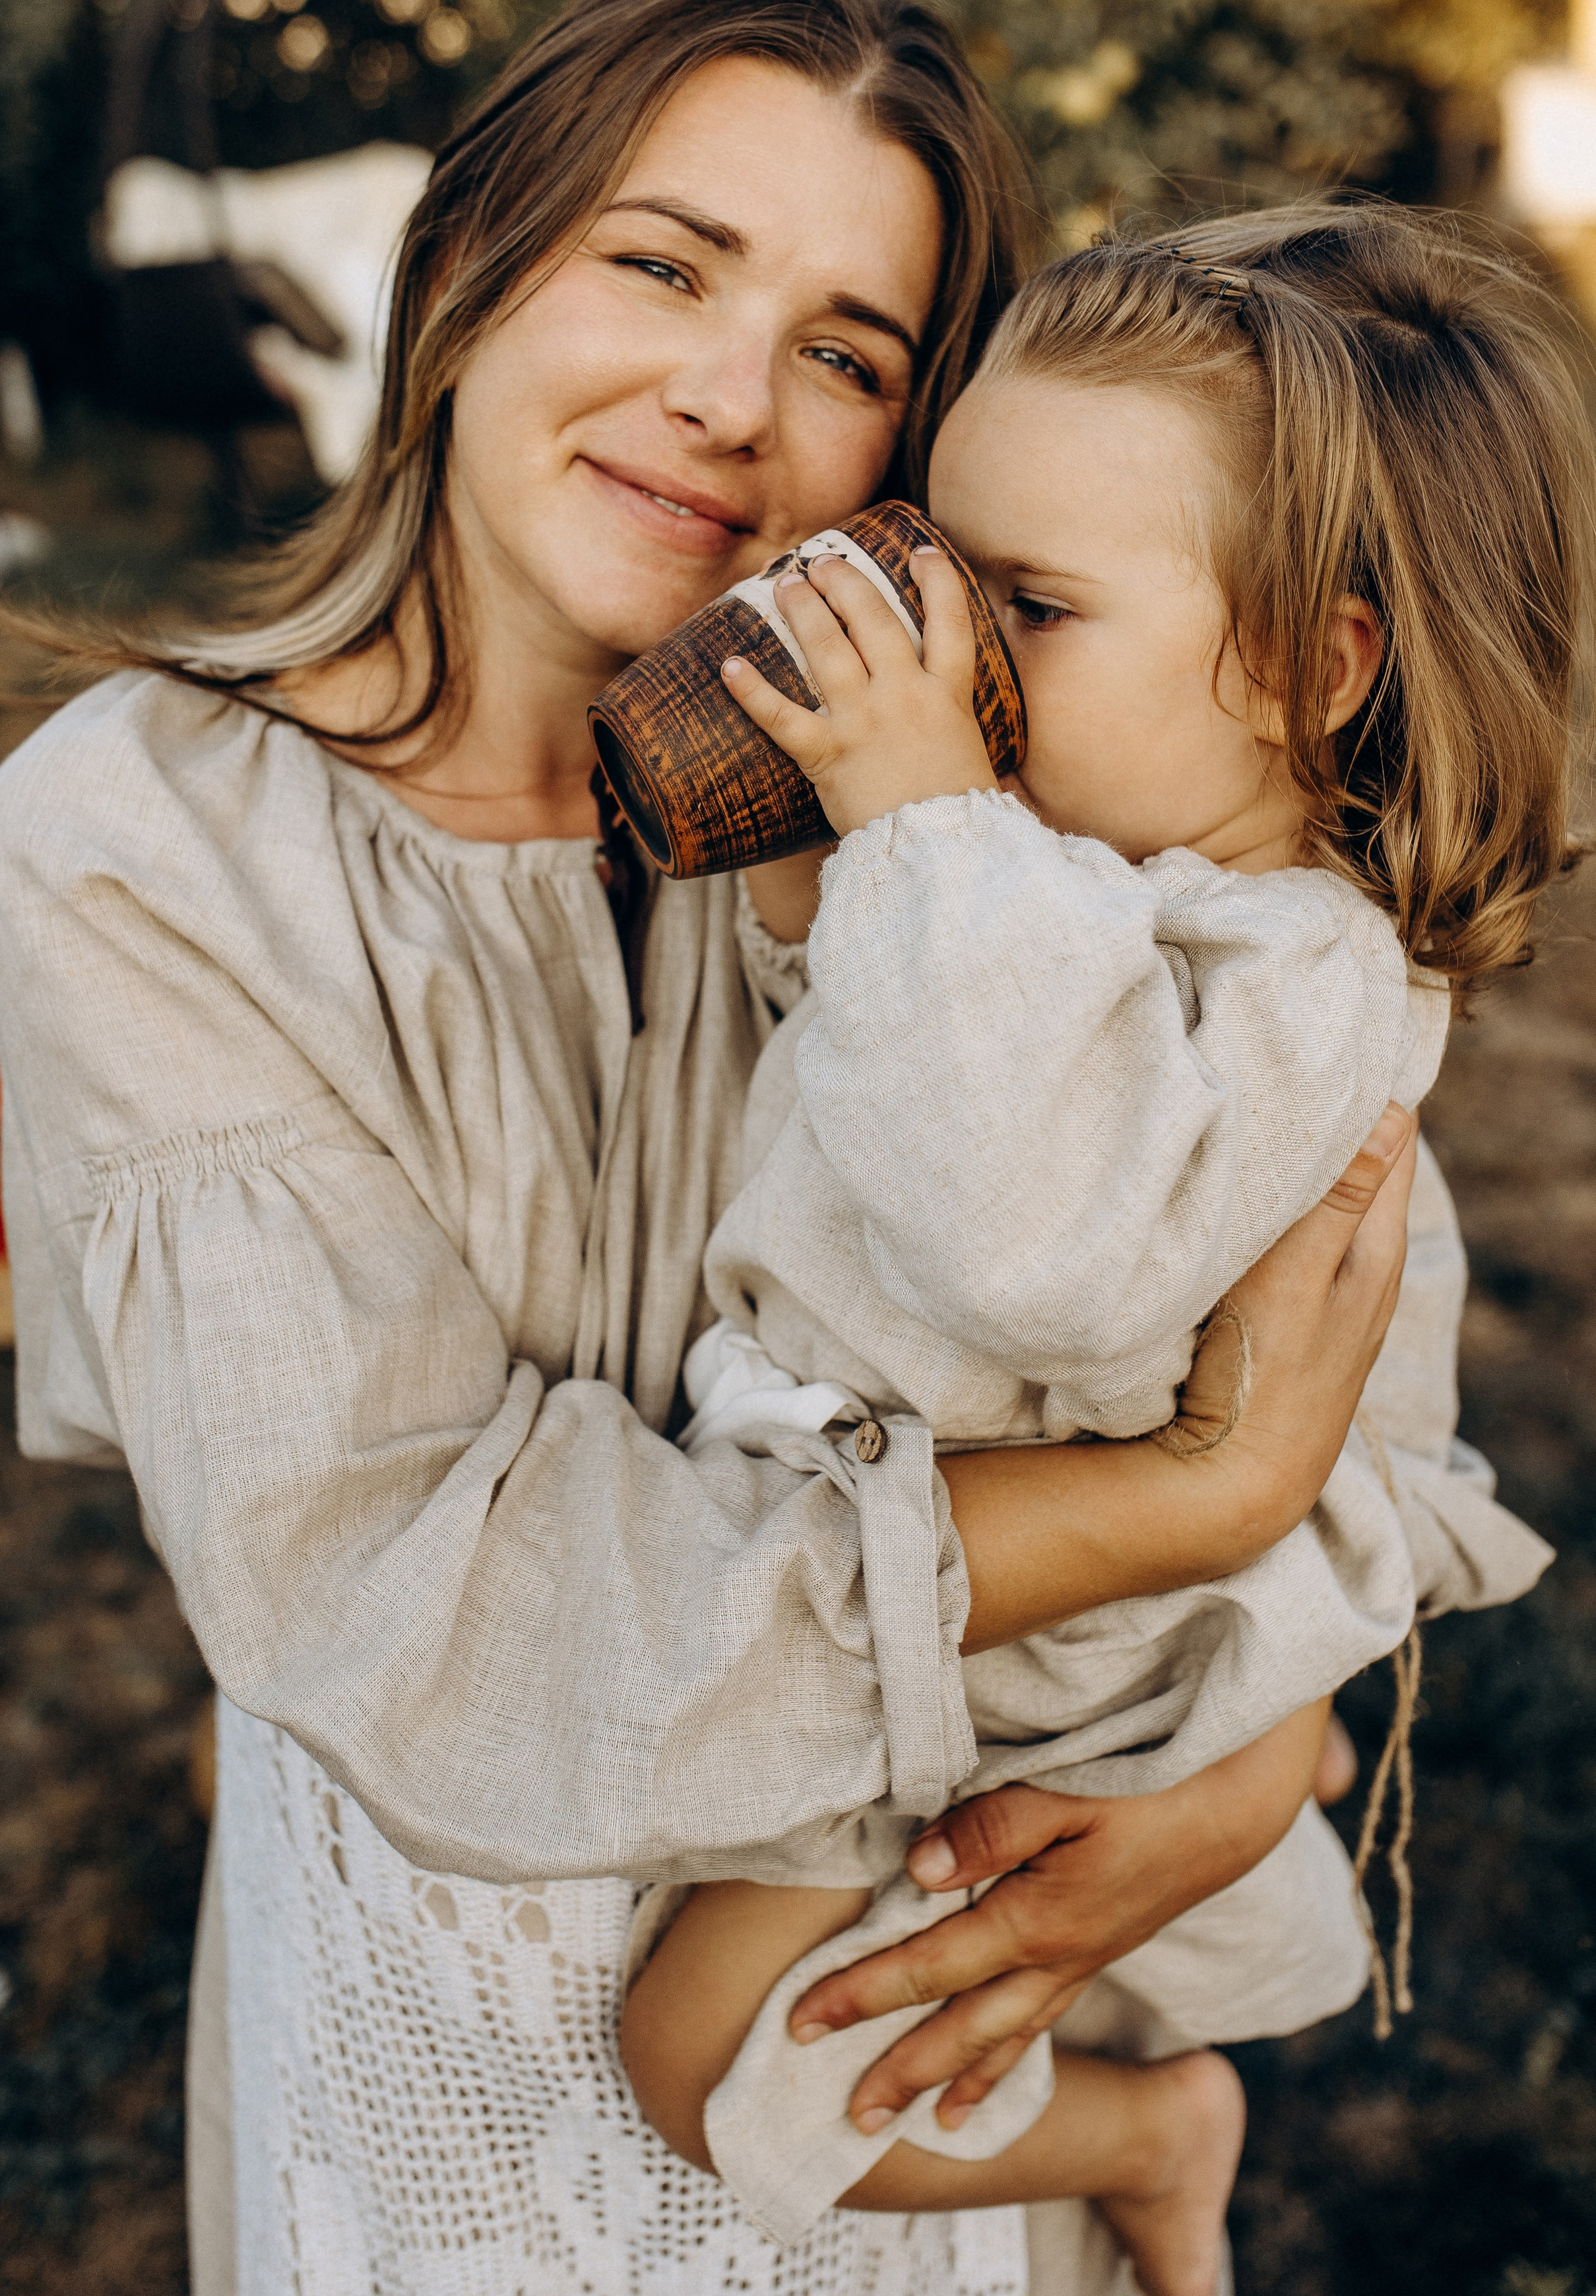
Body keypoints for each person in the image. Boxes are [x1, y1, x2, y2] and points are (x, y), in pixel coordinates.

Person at [0, 0, 1419, 2296]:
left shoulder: (993, 842)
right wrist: (1186, 1504)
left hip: (876, 2015)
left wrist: (1257, 1734)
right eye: (662, 263)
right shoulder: (147, 847)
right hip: (455, 2044)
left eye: (852, 352)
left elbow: (1329, 1253)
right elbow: (424, 1606)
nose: (732, 401)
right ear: (462, 269)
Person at [619, 205, 1583, 2289]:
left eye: (1031, 607)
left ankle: (1161, 2134)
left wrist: (924, 825)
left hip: (1011, 1647)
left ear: (1311, 668)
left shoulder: (1304, 975)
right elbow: (876, 1092)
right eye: (946, 570)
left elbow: (1035, 1252)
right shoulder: (1081, 860)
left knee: (693, 2054)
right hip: (882, 1561)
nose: (962, 657)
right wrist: (833, 881)